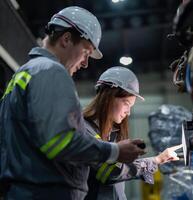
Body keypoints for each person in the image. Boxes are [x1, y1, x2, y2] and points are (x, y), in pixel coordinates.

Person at [0, 6, 145, 200]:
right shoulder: (51, 71)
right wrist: (115, 151)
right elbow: (60, 142)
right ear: (66, 39)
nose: (85, 63)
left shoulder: (24, 74)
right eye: (86, 52)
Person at [83, 66, 182, 200]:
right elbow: (109, 172)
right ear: (109, 97)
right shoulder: (84, 130)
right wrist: (157, 160)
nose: (128, 112)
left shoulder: (111, 134)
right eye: (126, 103)